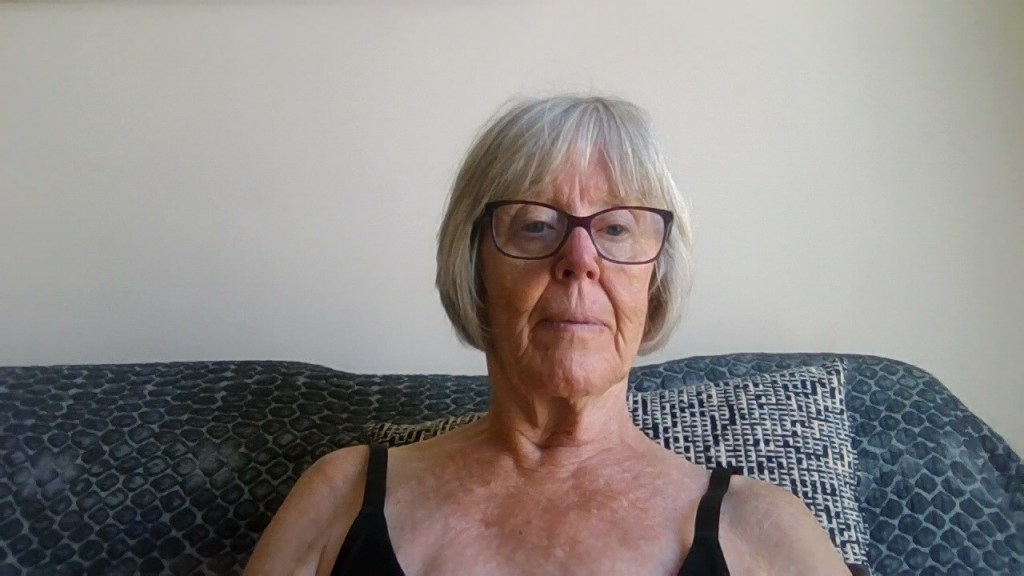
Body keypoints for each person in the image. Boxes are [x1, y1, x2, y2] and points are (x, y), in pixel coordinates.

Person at [244, 95, 849, 575]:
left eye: (616, 229)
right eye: (536, 225)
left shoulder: (762, 529)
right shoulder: (343, 494)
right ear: (473, 267)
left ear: (656, 283)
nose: (580, 260)